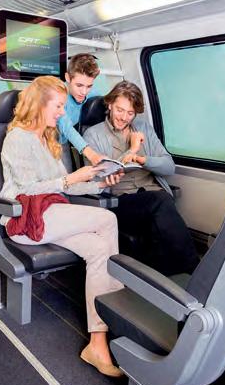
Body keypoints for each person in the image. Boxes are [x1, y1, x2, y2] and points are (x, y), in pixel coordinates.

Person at [0, 76, 124, 377]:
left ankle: (97, 342)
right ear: (39, 104)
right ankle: (119, 316)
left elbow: (66, 186)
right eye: (57, 106)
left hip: (51, 213)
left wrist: (98, 182)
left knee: (98, 248)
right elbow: (28, 189)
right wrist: (70, 179)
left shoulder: (47, 139)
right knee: (108, 219)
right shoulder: (17, 138)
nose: (61, 113)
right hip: (25, 217)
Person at [83, 81, 199, 276]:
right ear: (110, 104)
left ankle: (160, 278)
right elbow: (97, 178)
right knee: (162, 200)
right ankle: (195, 270)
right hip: (120, 201)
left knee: (160, 208)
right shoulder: (93, 135)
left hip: (152, 195)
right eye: (120, 110)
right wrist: (133, 149)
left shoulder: (143, 128)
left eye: (130, 113)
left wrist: (142, 159)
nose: (124, 118)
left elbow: (169, 167)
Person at [57, 53, 105, 165]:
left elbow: (112, 105)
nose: (84, 92)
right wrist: (91, 154)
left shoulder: (93, 93)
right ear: (67, 78)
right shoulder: (58, 95)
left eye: (89, 86)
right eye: (79, 85)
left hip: (63, 141)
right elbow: (66, 127)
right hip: (45, 140)